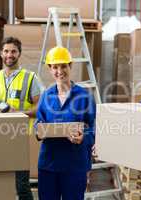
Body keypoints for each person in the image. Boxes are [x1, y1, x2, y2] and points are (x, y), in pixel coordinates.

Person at [35, 46, 96, 200]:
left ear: (70, 66)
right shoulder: (46, 96)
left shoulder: (84, 96)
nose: (59, 71)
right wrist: (38, 130)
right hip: (49, 164)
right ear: (50, 69)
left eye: (63, 66)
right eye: (55, 67)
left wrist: (84, 137)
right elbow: (39, 121)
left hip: (75, 165)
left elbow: (95, 127)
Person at [0, 36, 42, 200]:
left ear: (19, 54)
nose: (9, 54)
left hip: (19, 136)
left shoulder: (30, 77)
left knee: (21, 185)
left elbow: (40, 107)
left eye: (13, 51)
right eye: (6, 51)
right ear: (1, 54)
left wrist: (20, 113)